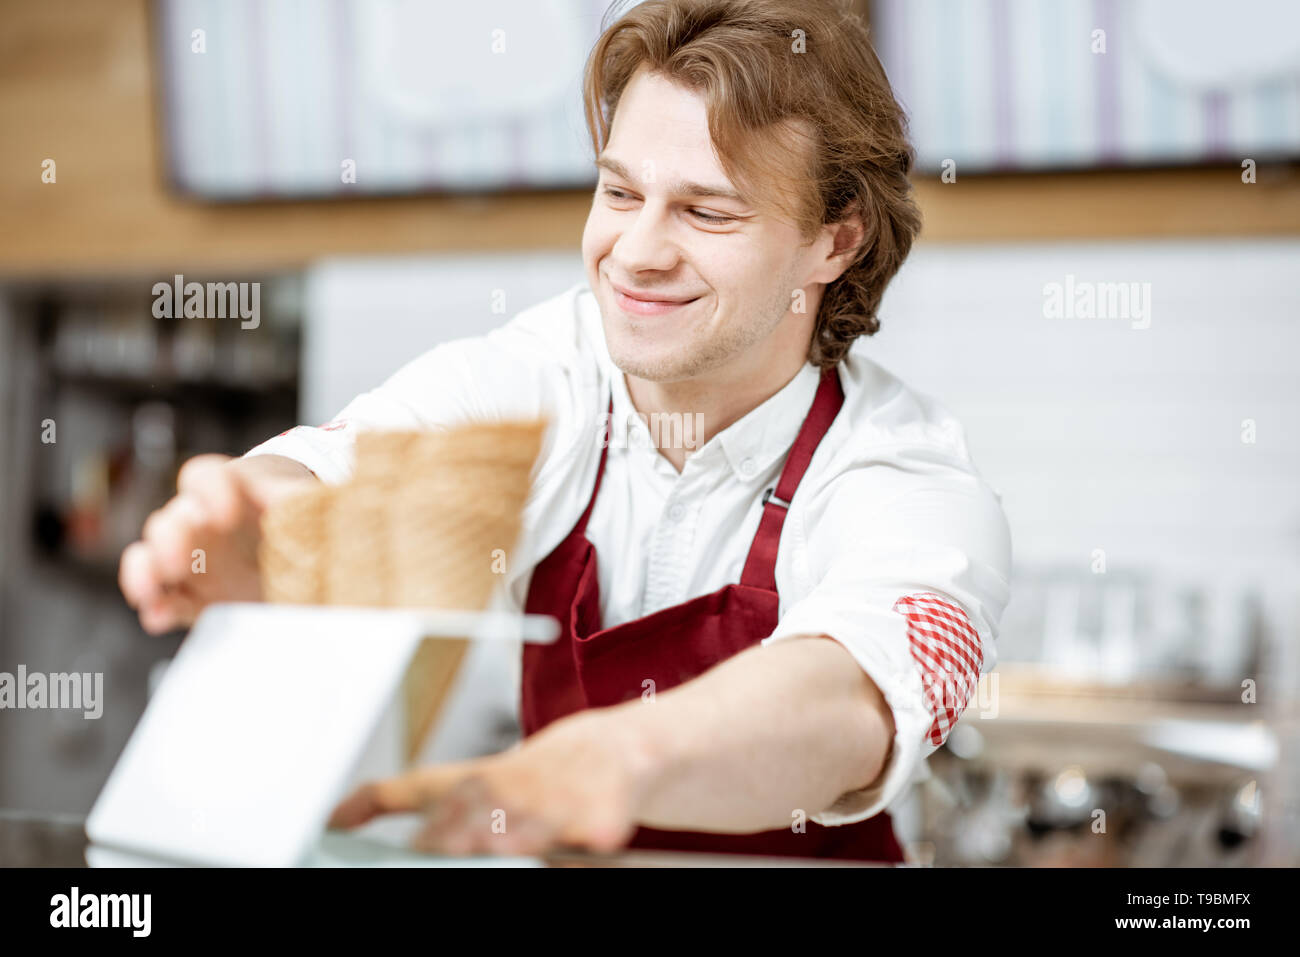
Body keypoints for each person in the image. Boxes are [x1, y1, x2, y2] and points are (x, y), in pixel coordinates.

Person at [118, 0, 1010, 861]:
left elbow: (855, 698)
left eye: (707, 211)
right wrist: (265, 525)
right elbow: (359, 467)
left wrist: (612, 762)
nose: (637, 252)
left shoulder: (907, 471)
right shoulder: (541, 375)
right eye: (620, 192)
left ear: (835, 239)